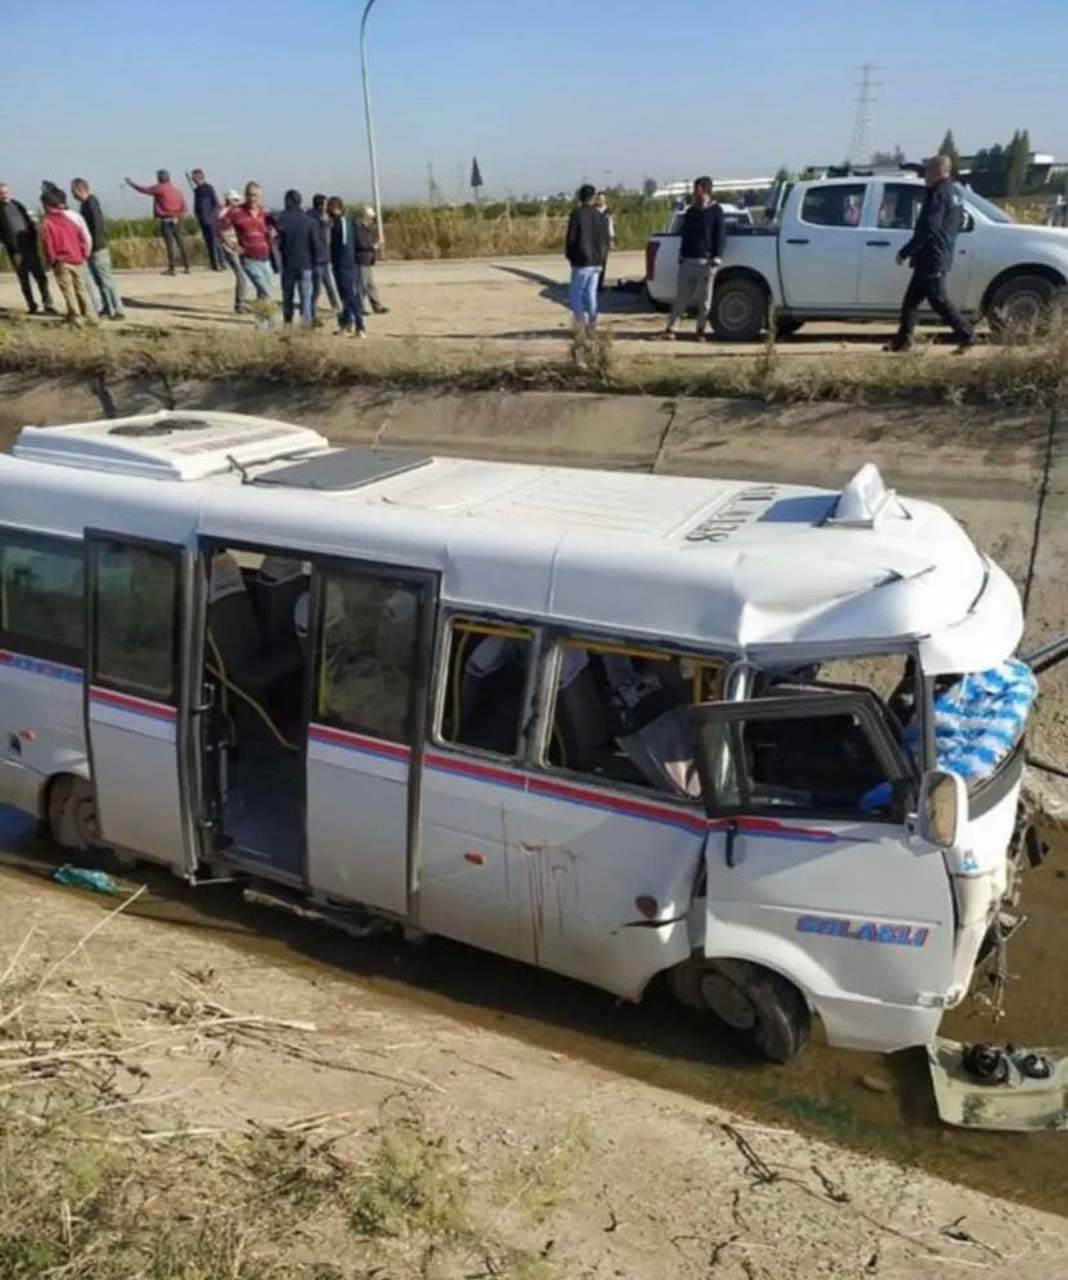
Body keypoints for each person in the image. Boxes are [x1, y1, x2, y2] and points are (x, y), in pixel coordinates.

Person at [886, 154, 974, 354]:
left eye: (927, 171)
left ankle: (967, 335)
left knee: (939, 300)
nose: (924, 175)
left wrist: (906, 251)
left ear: (936, 171)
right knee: (911, 301)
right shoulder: (954, 192)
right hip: (937, 253)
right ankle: (903, 341)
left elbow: (929, 228)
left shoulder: (937, 193)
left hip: (932, 255)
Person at [656, 176, 725, 341]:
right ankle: (671, 327)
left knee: (704, 299)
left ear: (707, 191)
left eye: (698, 190)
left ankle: (700, 330)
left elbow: (720, 236)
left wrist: (717, 257)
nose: (695, 194)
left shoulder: (716, 211)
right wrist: (681, 256)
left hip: (707, 262)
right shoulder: (690, 212)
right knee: (682, 297)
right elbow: (685, 236)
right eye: (695, 190)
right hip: (688, 261)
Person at [70, 178, 124, 320]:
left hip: (98, 248)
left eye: (73, 191)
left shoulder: (92, 204)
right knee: (100, 281)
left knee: (106, 280)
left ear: (79, 189)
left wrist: (92, 246)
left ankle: (118, 309)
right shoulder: (85, 205)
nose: (72, 195)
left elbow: (97, 227)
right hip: (92, 248)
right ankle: (107, 307)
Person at [40, 189, 95, 326]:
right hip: (77, 258)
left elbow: (49, 244)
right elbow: (82, 236)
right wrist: (83, 254)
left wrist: (51, 261)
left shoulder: (48, 222)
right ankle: (90, 315)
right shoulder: (70, 219)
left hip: (62, 260)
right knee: (81, 288)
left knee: (68, 290)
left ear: (46, 205)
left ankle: (75, 317)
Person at [0, 183, 56, 314]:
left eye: (6, 192)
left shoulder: (18, 205)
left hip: (29, 247)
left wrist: (33, 237)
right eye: (1, 193)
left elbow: (29, 222)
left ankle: (48, 304)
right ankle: (32, 306)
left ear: (10, 192)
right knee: (24, 280)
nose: (4, 195)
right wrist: (7, 242)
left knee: (40, 277)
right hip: (15, 251)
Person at [218, 181, 276, 305]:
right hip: (249, 258)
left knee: (263, 294)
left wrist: (273, 239)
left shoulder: (264, 212)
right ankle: (273, 321)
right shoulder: (236, 211)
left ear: (260, 196)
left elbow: (274, 229)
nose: (252, 198)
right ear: (245, 195)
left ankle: (261, 323)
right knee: (266, 292)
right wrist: (233, 245)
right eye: (249, 195)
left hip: (265, 258)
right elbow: (220, 228)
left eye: (255, 195)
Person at [125, 169, 190, 275]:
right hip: (177, 220)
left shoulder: (160, 188)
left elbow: (143, 189)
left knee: (169, 245)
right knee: (180, 244)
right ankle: (187, 266)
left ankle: (172, 268)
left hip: (166, 220)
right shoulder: (177, 190)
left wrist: (131, 183)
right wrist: (179, 217)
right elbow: (184, 207)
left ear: (160, 178)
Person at [564, 184, 609, 333]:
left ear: (580, 197)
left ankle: (581, 323)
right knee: (591, 293)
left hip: (582, 260)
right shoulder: (602, 216)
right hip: (597, 260)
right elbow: (605, 239)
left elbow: (571, 238)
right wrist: (602, 259)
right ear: (594, 197)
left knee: (575, 294)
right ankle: (593, 323)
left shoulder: (576, 214)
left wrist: (570, 256)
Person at [274, 189, 318, 326]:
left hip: (288, 265)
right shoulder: (310, 222)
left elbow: (278, 243)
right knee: (306, 297)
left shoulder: (282, 220)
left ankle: (288, 322)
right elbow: (315, 245)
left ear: (288, 201)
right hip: (306, 264)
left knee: (288, 296)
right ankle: (306, 324)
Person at [327, 196, 366, 337]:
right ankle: (346, 323)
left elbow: (345, 245)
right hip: (340, 265)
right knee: (345, 296)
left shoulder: (343, 223)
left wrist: (343, 263)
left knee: (350, 296)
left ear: (335, 208)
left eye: (329, 208)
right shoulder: (338, 222)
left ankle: (360, 326)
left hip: (345, 265)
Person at [308, 193, 339, 320]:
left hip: (325, 257)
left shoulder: (326, 218)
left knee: (329, 285)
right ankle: (311, 310)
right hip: (316, 258)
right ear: (319, 205)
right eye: (325, 204)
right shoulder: (312, 219)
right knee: (316, 288)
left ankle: (336, 306)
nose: (327, 207)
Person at [355, 208, 388, 314]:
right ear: (365, 217)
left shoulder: (366, 228)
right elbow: (360, 243)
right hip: (361, 259)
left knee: (370, 285)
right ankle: (359, 308)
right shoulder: (358, 228)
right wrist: (374, 246)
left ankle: (377, 306)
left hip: (367, 259)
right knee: (361, 285)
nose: (371, 221)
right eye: (370, 218)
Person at [188, 169, 222, 270]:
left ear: (199, 177)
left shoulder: (208, 188)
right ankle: (214, 264)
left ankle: (220, 263)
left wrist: (211, 217)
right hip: (202, 219)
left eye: (194, 177)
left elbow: (215, 204)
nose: (193, 179)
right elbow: (197, 205)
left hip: (210, 220)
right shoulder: (197, 190)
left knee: (214, 242)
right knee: (208, 242)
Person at [594, 191, 615, 292]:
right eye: (599, 199)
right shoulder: (593, 210)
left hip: (605, 239)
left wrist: (611, 239)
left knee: (603, 263)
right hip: (594, 240)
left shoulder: (608, 211)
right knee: (594, 263)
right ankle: (593, 284)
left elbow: (610, 226)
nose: (600, 201)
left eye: (602, 199)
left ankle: (600, 284)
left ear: (605, 200)